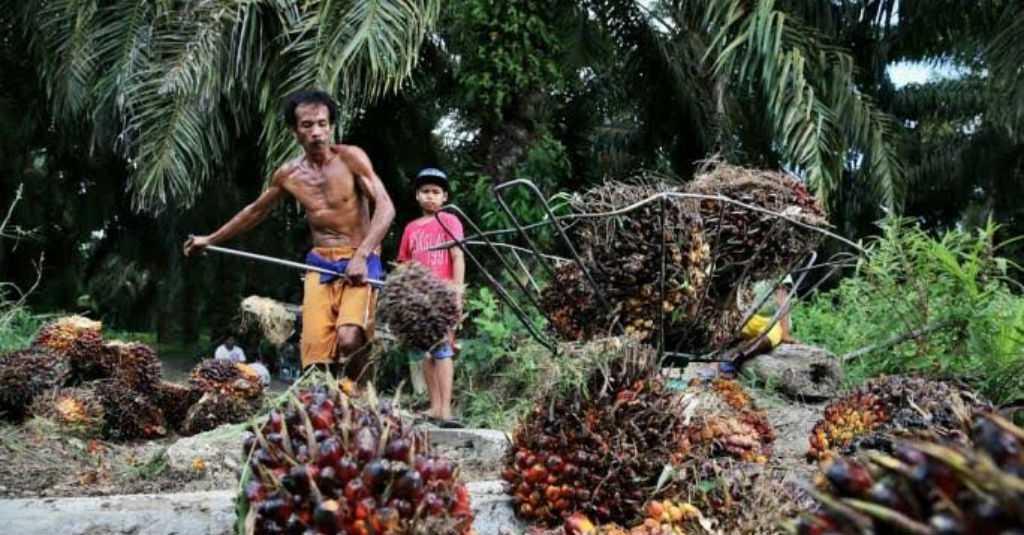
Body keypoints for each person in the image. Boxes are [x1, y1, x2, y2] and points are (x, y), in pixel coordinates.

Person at [184, 90, 395, 381]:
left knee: (349, 338)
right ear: (295, 131)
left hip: (360, 258)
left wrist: (361, 256)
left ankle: (361, 393)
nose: (317, 132)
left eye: (322, 123)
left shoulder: (351, 159)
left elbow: (385, 207)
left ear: (331, 126)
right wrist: (210, 239)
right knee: (315, 356)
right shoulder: (289, 175)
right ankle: (330, 407)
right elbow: (254, 212)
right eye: (307, 125)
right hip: (320, 264)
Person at [397, 168, 465, 426]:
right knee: (423, 353)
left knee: (442, 349)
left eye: (436, 192)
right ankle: (434, 407)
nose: (430, 197)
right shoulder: (411, 228)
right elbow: (404, 264)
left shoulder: (449, 221)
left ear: (444, 197)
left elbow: (458, 256)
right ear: (417, 195)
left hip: (442, 296)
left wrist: (457, 293)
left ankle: (446, 410)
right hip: (417, 299)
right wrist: (403, 297)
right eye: (425, 192)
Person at [723, 275, 797, 375]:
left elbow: (783, 302)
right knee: (727, 324)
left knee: (766, 339)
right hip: (750, 316)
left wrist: (785, 334)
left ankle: (734, 360)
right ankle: (728, 349)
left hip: (773, 320)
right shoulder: (754, 265)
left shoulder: (782, 268)